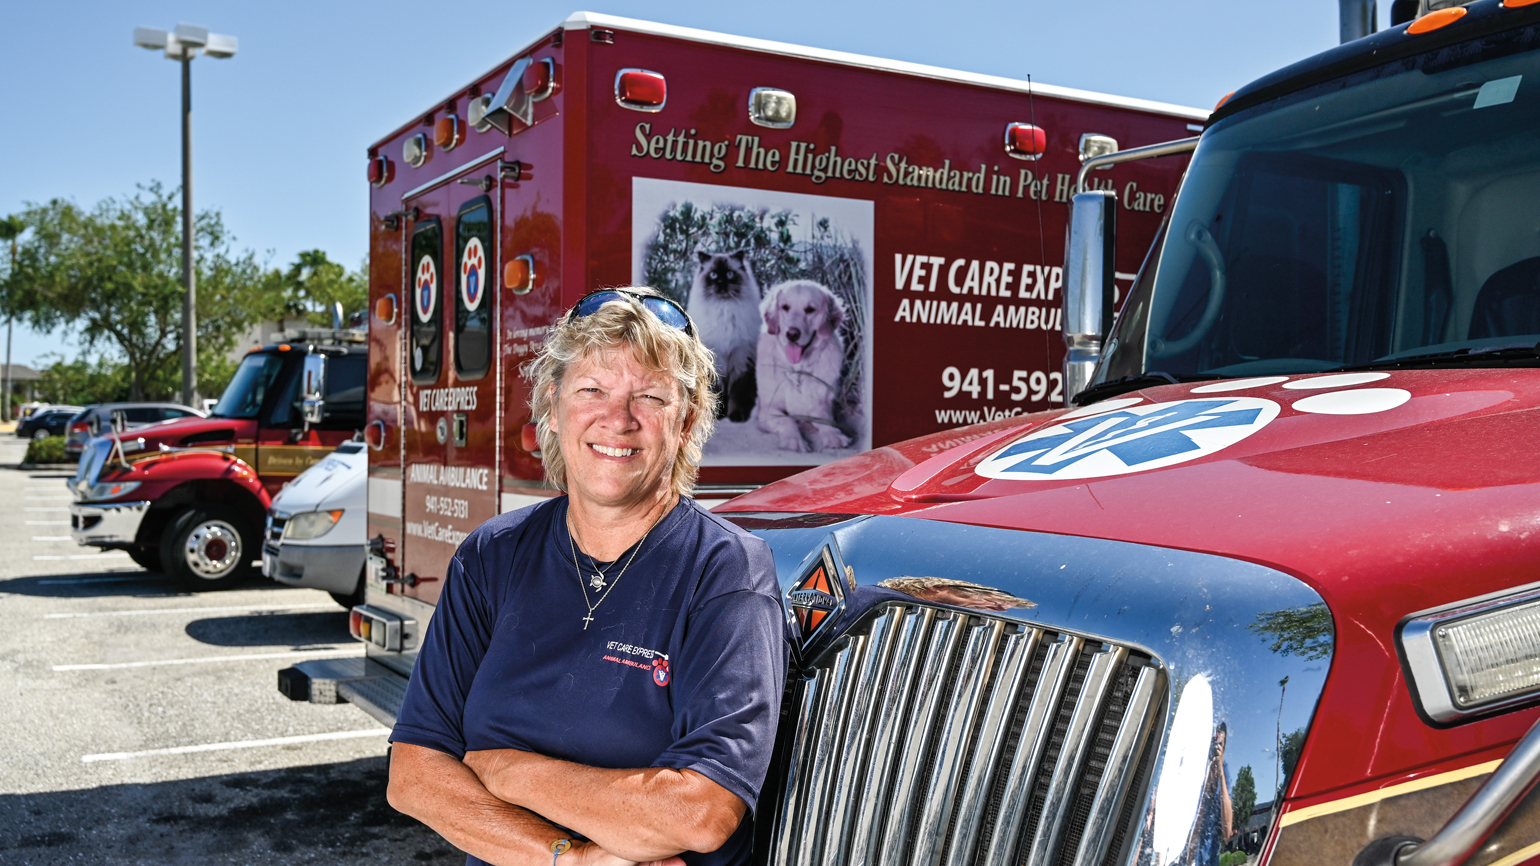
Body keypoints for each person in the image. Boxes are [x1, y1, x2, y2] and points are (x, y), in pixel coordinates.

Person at [387, 288, 788, 866]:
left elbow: (700, 813)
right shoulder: (492, 555)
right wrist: (567, 859)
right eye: (592, 390)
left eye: (649, 396)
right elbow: (413, 774)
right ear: (554, 406)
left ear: (687, 421)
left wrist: (502, 767)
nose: (617, 420)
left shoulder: (725, 571)